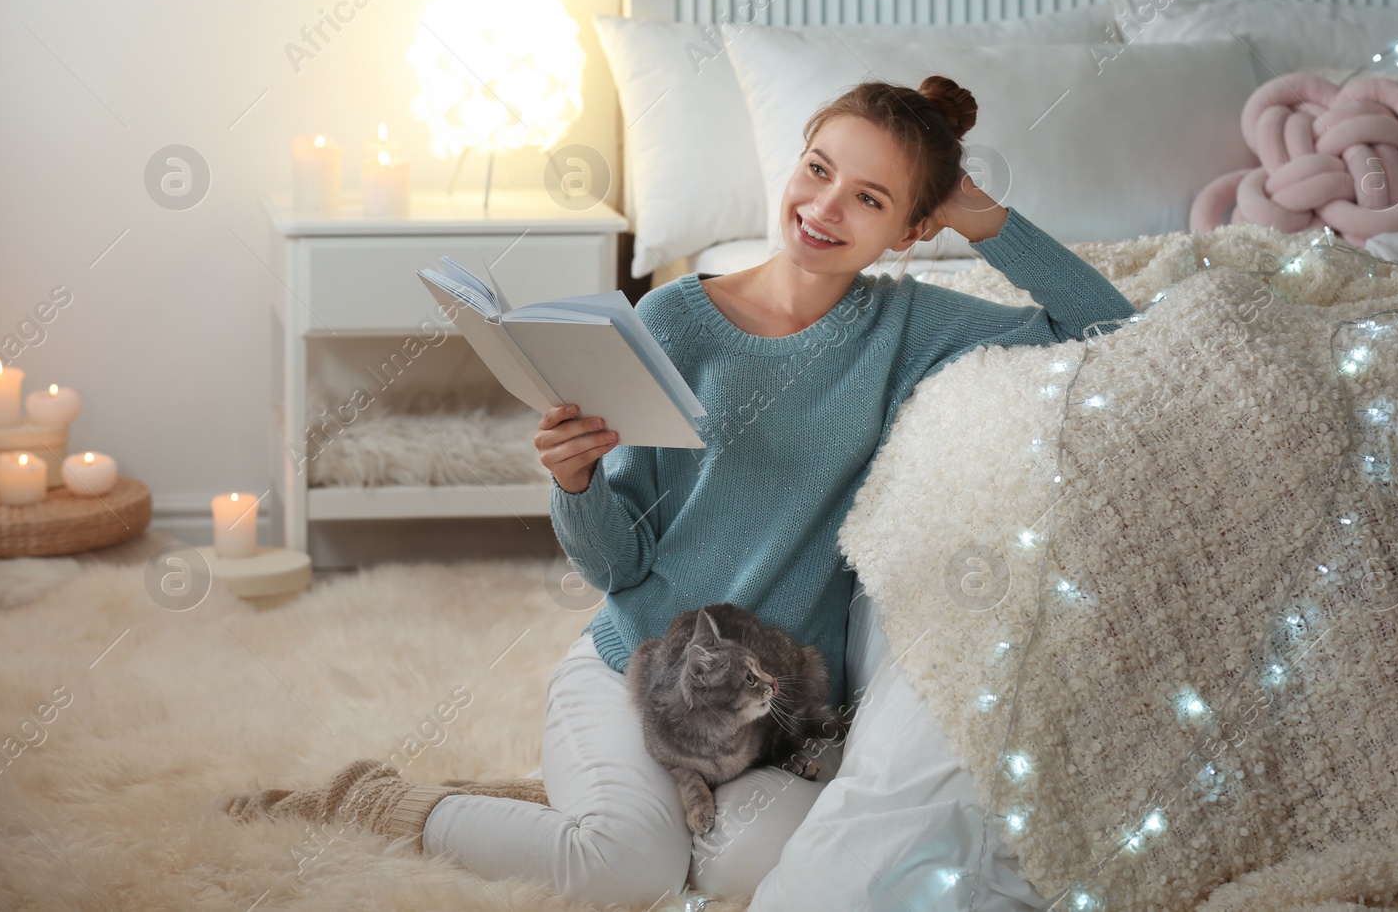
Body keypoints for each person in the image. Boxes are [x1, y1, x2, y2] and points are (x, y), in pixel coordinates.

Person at [223, 76, 1136, 907]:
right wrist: (575, 479)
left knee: (761, 872)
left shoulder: (909, 326)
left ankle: (591, 809)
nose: (823, 208)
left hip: (766, 721)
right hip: (633, 673)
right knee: (629, 868)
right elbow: (614, 564)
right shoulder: (671, 321)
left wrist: (982, 218)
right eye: (816, 170)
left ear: (907, 230)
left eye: (868, 197)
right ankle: (385, 800)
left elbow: (1106, 326)